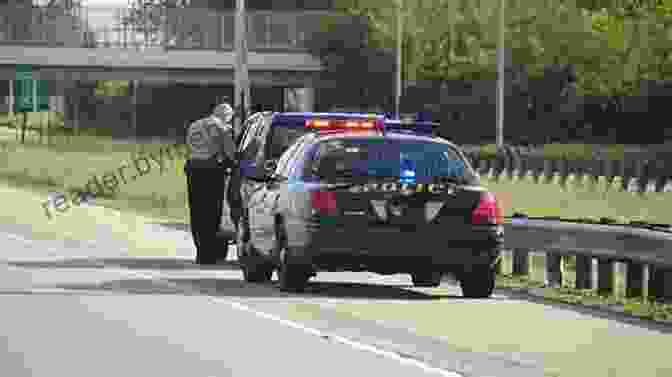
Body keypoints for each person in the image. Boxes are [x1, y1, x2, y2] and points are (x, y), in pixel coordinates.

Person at [184, 103, 237, 265]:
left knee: (197, 211)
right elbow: (230, 152)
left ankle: (201, 251)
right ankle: (209, 253)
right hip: (211, 171)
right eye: (230, 119)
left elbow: (189, 147)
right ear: (227, 117)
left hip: (193, 169)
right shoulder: (222, 127)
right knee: (212, 212)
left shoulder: (194, 125)